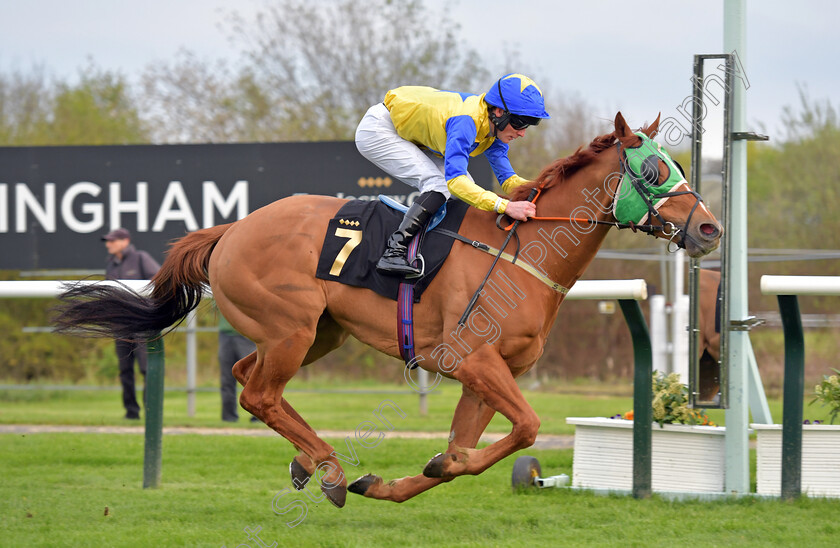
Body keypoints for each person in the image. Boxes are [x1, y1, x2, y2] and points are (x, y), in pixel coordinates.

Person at [355, 73, 550, 277]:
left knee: (467, 189)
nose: (522, 133)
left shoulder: (494, 128)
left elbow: (508, 180)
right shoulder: (466, 122)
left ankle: (437, 251)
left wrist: (542, 188)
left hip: (413, 134)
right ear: (500, 112)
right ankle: (394, 251)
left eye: (528, 125)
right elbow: (455, 183)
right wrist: (506, 206)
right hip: (380, 129)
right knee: (440, 185)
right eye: (520, 123)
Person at [102, 227, 161, 420]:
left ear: (125, 241)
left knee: (146, 368)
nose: (108, 244)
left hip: (142, 323)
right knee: (125, 370)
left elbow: (158, 282)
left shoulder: (141, 258)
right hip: (121, 325)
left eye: (112, 240)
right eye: (108, 241)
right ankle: (131, 412)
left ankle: (151, 411)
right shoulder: (110, 264)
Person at [217, 311, 258, 423]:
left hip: (246, 335)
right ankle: (229, 417)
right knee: (226, 379)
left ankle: (258, 415)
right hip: (225, 335)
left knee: (252, 377)